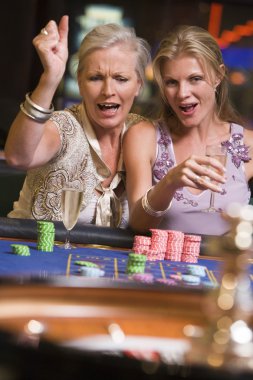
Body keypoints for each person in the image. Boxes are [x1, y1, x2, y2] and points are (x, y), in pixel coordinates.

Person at [4, 15, 150, 228]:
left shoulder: (143, 133)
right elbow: (17, 158)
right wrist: (51, 77)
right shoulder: (62, 126)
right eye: (95, 78)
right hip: (32, 255)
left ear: (138, 85)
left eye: (121, 79)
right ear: (80, 83)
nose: (108, 91)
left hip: (102, 261)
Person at [123, 25, 253, 236]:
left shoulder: (249, 144)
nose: (183, 93)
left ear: (218, 76)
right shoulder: (143, 136)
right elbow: (138, 225)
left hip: (223, 267)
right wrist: (170, 182)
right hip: (160, 268)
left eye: (195, 79)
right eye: (172, 82)